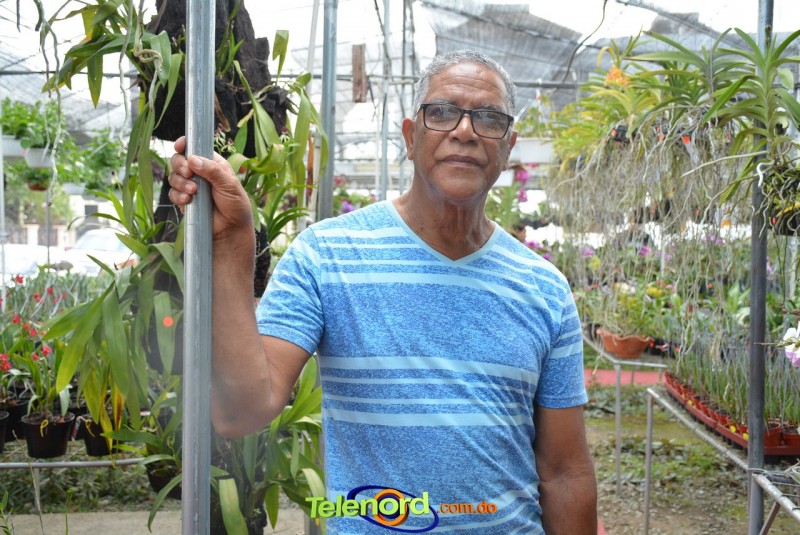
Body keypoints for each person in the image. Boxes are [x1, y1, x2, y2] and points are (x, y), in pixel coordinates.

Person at [168, 49, 597, 534]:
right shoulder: (327, 255)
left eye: (489, 119)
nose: (464, 131)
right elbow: (240, 411)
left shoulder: (543, 288)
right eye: (442, 112)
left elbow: (566, 472)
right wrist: (231, 245)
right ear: (410, 137)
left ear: (508, 146)